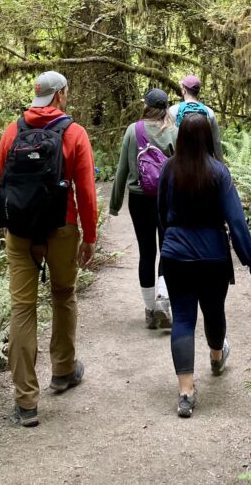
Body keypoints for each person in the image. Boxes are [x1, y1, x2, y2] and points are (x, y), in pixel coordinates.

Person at [0, 70, 97, 428]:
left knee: (22, 308)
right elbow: (85, 191)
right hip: (62, 228)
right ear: (60, 95)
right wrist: (90, 236)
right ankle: (64, 370)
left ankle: (26, 402)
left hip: (20, 233)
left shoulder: (12, 130)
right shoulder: (74, 133)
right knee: (64, 295)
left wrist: (8, 224)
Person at [157, 112, 251, 418]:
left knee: (184, 319)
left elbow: (161, 214)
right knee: (214, 311)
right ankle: (216, 356)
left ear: (181, 138)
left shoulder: (169, 170)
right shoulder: (219, 172)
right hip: (213, 257)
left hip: (176, 256)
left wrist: (168, 245)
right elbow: (236, 220)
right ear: (210, 138)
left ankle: (185, 393)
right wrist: (248, 257)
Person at [109, 87, 177, 329]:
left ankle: (149, 311)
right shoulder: (174, 131)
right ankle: (163, 300)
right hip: (166, 199)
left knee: (146, 252)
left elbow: (121, 171)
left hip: (139, 199)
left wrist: (115, 204)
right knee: (167, 249)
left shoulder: (133, 130)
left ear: (146, 106)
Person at [169, 74, 223, 160]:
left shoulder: (172, 110)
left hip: (180, 160)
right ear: (198, 92)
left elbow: (170, 139)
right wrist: (220, 163)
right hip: (204, 160)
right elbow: (216, 141)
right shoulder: (209, 112)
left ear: (184, 91)